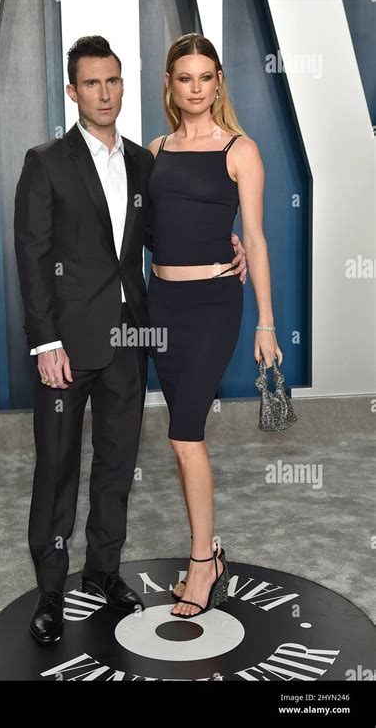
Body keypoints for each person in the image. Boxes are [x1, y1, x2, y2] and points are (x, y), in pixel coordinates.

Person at [14, 35, 247, 643]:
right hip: (65, 346)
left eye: (113, 81)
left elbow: (160, 235)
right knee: (58, 470)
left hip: (131, 339)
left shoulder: (146, 162)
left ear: (124, 85)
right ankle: (50, 591)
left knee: (117, 465)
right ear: (73, 92)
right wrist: (45, 343)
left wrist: (227, 245)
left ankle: (103, 571)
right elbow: (32, 258)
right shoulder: (46, 161)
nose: (104, 93)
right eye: (91, 83)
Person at [147, 33, 282, 619]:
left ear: (218, 82)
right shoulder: (155, 150)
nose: (196, 88)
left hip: (213, 306)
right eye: (185, 78)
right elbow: (148, 230)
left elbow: (254, 237)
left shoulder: (240, 150)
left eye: (206, 77)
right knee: (183, 440)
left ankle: (203, 561)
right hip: (160, 305)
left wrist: (267, 325)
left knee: (183, 435)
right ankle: (210, 554)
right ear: (171, 86)